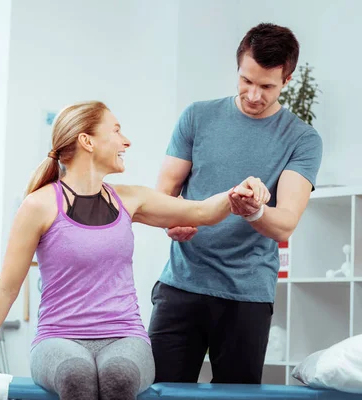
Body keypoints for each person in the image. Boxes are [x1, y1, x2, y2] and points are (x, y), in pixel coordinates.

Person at [0, 100, 268, 399]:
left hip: (124, 336)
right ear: (87, 140)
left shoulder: (130, 198)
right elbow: (7, 287)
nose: (126, 141)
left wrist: (241, 190)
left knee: (118, 376)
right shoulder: (39, 205)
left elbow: (201, 212)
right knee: (76, 375)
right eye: (116, 131)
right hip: (58, 338)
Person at [149, 23, 323, 385]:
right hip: (182, 284)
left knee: (237, 396)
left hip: (247, 294)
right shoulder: (197, 116)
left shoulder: (303, 139)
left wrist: (255, 211)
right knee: (159, 391)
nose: (254, 94)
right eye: (246, 81)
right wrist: (171, 222)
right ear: (238, 68)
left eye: (267, 86)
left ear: (286, 81)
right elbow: (162, 196)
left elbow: (286, 223)